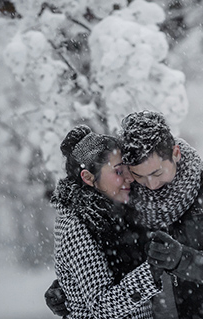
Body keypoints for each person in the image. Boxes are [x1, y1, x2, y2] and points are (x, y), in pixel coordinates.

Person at [46, 111, 203, 319]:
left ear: (175, 153)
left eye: (157, 173)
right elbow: (113, 257)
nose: (150, 184)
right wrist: (69, 289)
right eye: (139, 175)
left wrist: (181, 259)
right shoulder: (130, 195)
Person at [48, 124, 162, 319]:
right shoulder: (76, 226)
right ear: (88, 178)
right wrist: (153, 270)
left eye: (128, 169)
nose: (129, 178)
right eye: (118, 172)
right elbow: (102, 307)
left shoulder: (117, 212)